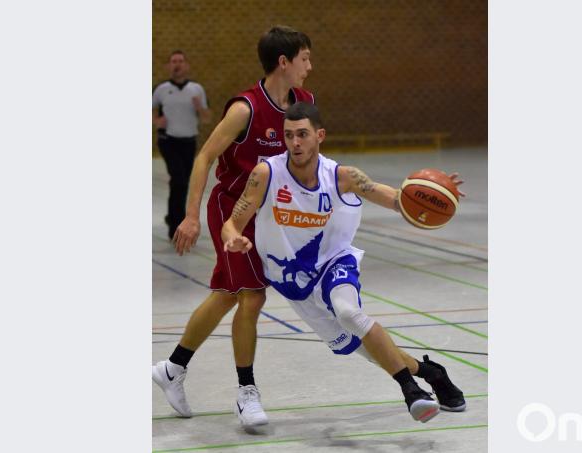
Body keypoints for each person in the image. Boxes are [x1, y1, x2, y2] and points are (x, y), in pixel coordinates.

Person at [220, 102, 467, 423]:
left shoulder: (343, 176)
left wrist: (435, 194)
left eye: (303, 135)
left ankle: (411, 392)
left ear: (319, 136)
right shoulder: (266, 173)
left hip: (335, 262)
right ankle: (432, 373)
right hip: (293, 280)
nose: (295, 143)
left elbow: (395, 199)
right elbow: (233, 222)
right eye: (289, 135)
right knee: (363, 349)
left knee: (349, 313)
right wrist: (232, 237)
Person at [152, 26, 315, 428]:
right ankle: (246, 393)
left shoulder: (306, 104)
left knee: (227, 295)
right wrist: (190, 216)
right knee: (253, 297)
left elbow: (307, 161)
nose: (310, 67)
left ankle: (172, 368)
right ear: (284, 62)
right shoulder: (245, 108)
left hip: (270, 216)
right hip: (231, 212)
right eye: (305, 59)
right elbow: (205, 158)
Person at [153, 50, 212, 239]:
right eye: (173, 61)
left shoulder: (196, 89)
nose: (176, 64)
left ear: (186, 65)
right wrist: (156, 121)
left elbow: (207, 119)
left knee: (183, 183)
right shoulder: (161, 89)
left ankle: (172, 217)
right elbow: (151, 111)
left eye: (180, 61)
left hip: (189, 142)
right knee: (178, 179)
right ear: (169, 66)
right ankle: (176, 225)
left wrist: (199, 108)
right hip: (168, 141)